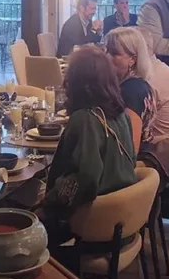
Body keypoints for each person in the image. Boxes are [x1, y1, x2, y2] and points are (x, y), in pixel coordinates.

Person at [44, 45, 136, 224]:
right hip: (124, 216)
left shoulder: (85, 119)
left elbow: (85, 179)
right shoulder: (122, 116)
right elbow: (131, 161)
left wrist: (49, 202)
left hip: (94, 220)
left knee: (19, 206)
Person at [105, 27, 155, 153]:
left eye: (114, 53)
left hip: (130, 161)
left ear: (132, 60)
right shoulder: (135, 85)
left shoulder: (132, 90)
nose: (106, 57)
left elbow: (131, 149)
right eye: (106, 51)